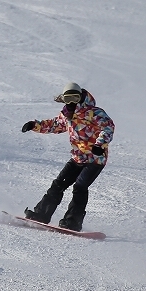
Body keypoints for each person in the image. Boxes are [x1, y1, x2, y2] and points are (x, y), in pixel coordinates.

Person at [21, 82, 115, 231]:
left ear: (81, 97)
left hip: (95, 159)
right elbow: (54, 125)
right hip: (77, 158)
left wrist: (100, 144)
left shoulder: (94, 112)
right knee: (59, 183)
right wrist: (34, 125)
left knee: (80, 186)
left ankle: (73, 221)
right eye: (68, 98)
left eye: (75, 98)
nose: (71, 102)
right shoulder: (67, 115)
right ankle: (41, 214)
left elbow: (108, 127)